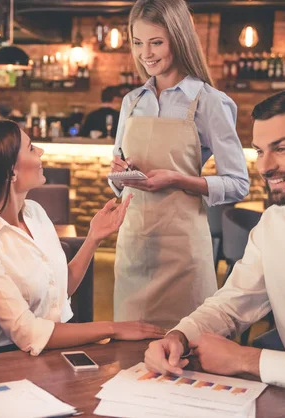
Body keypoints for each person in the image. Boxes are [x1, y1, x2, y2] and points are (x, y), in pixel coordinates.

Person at [144, 86, 285, 406]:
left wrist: (247, 360)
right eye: (258, 151)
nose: (264, 167)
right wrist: (179, 336)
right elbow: (231, 305)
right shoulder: (274, 222)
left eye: (280, 149)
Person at [0, 119, 165, 356]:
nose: (41, 151)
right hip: (13, 359)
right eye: (32, 148)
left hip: (61, 346)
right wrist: (112, 328)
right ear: (10, 171)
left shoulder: (35, 212)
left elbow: (60, 292)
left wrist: (94, 237)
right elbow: (29, 333)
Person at [109, 0, 250, 328]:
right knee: (129, 353)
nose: (146, 54)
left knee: (186, 352)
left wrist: (178, 179)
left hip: (183, 251)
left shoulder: (209, 102)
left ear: (179, 39)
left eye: (156, 42)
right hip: (134, 245)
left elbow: (238, 183)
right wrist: (119, 174)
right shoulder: (132, 102)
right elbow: (117, 181)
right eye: (138, 43)